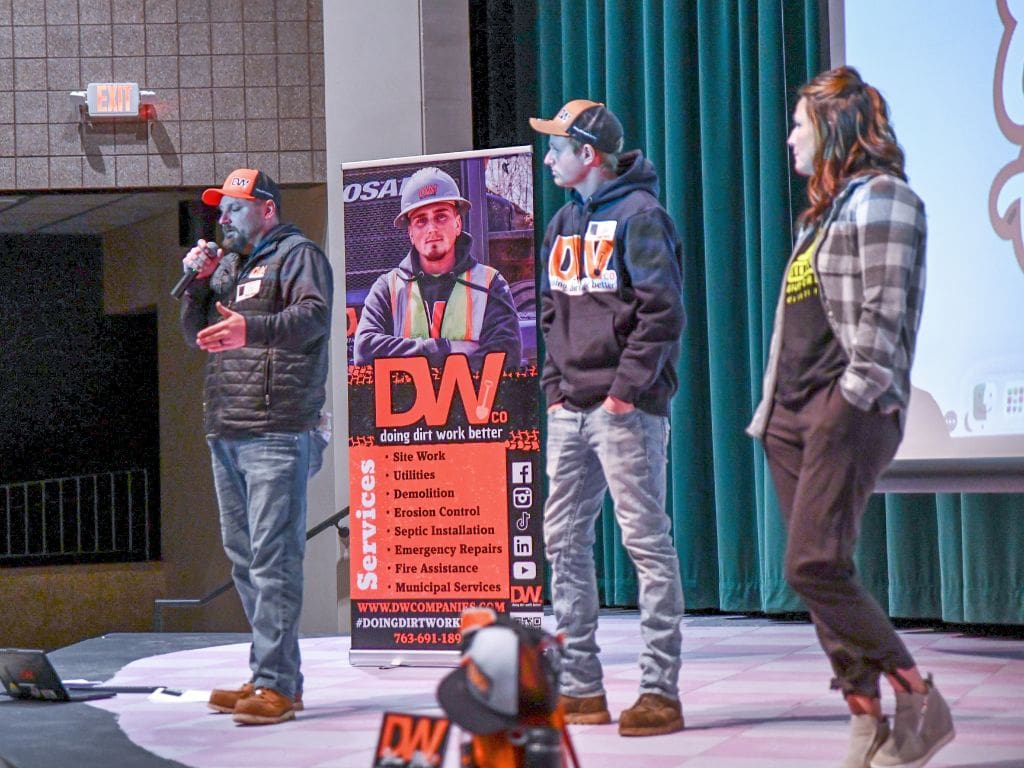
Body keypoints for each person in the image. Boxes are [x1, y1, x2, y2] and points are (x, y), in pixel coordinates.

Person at [747, 67, 955, 768]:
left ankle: (918, 695)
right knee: (823, 566)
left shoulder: (887, 200)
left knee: (811, 564)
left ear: (833, 128)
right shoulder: (821, 216)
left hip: (847, 408)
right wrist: (776, 409)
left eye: (800, 125)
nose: (789, 138)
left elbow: (884, 317)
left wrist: (854, 398)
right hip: (791, 414)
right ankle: (864, 719)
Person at [530, 99, 686, 737]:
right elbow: (546, 310)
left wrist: (623, 392)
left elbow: (662, 311)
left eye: (557, 148)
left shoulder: (641, 216)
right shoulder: (563, 221)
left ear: (587, 155)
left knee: (646, 543)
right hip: (571, 409)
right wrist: (554, 389)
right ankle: (582, 687)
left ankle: (658, 691)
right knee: (562, 540)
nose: (548, 158)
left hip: (627, 410)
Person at [179, 168, 333, 726]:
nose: (224, 220)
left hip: (277, 426)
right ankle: (266, 673)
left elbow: (314, 317)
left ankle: (277, 685)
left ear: (266, 209)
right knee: (244, 559)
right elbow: (193, 333)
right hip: (228, 427)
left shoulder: (298, 256)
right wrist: (198, 281)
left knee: (273, 558)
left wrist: (252, 328)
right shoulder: (231, 267)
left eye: (235, 209)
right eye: (221, 211)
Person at [353, 166, 522, 369]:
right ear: (411, 233)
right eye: (421, 221)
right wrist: (446, 348)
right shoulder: (387, 289)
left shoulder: (490, 285)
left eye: (441, 216)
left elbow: (506, 356)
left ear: (458, 224)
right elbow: (364, 351)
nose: (432, 228)